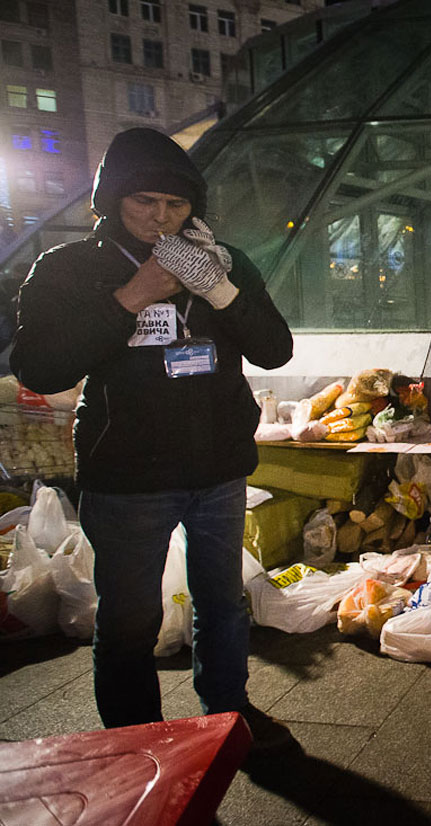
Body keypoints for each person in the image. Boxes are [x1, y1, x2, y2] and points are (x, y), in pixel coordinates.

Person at [10, 127, 295, 750]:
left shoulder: (222, 259)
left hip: (218, 466)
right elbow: (39, 366)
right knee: (129, 620)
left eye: (177, 205)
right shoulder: (70, 266)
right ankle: (134, 742)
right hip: (129, 475)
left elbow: (276, 349)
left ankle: (228, 710)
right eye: (145, 202)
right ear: (112, 199)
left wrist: (220, 289)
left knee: (223, 601)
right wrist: (129, 298)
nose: (161, 217)